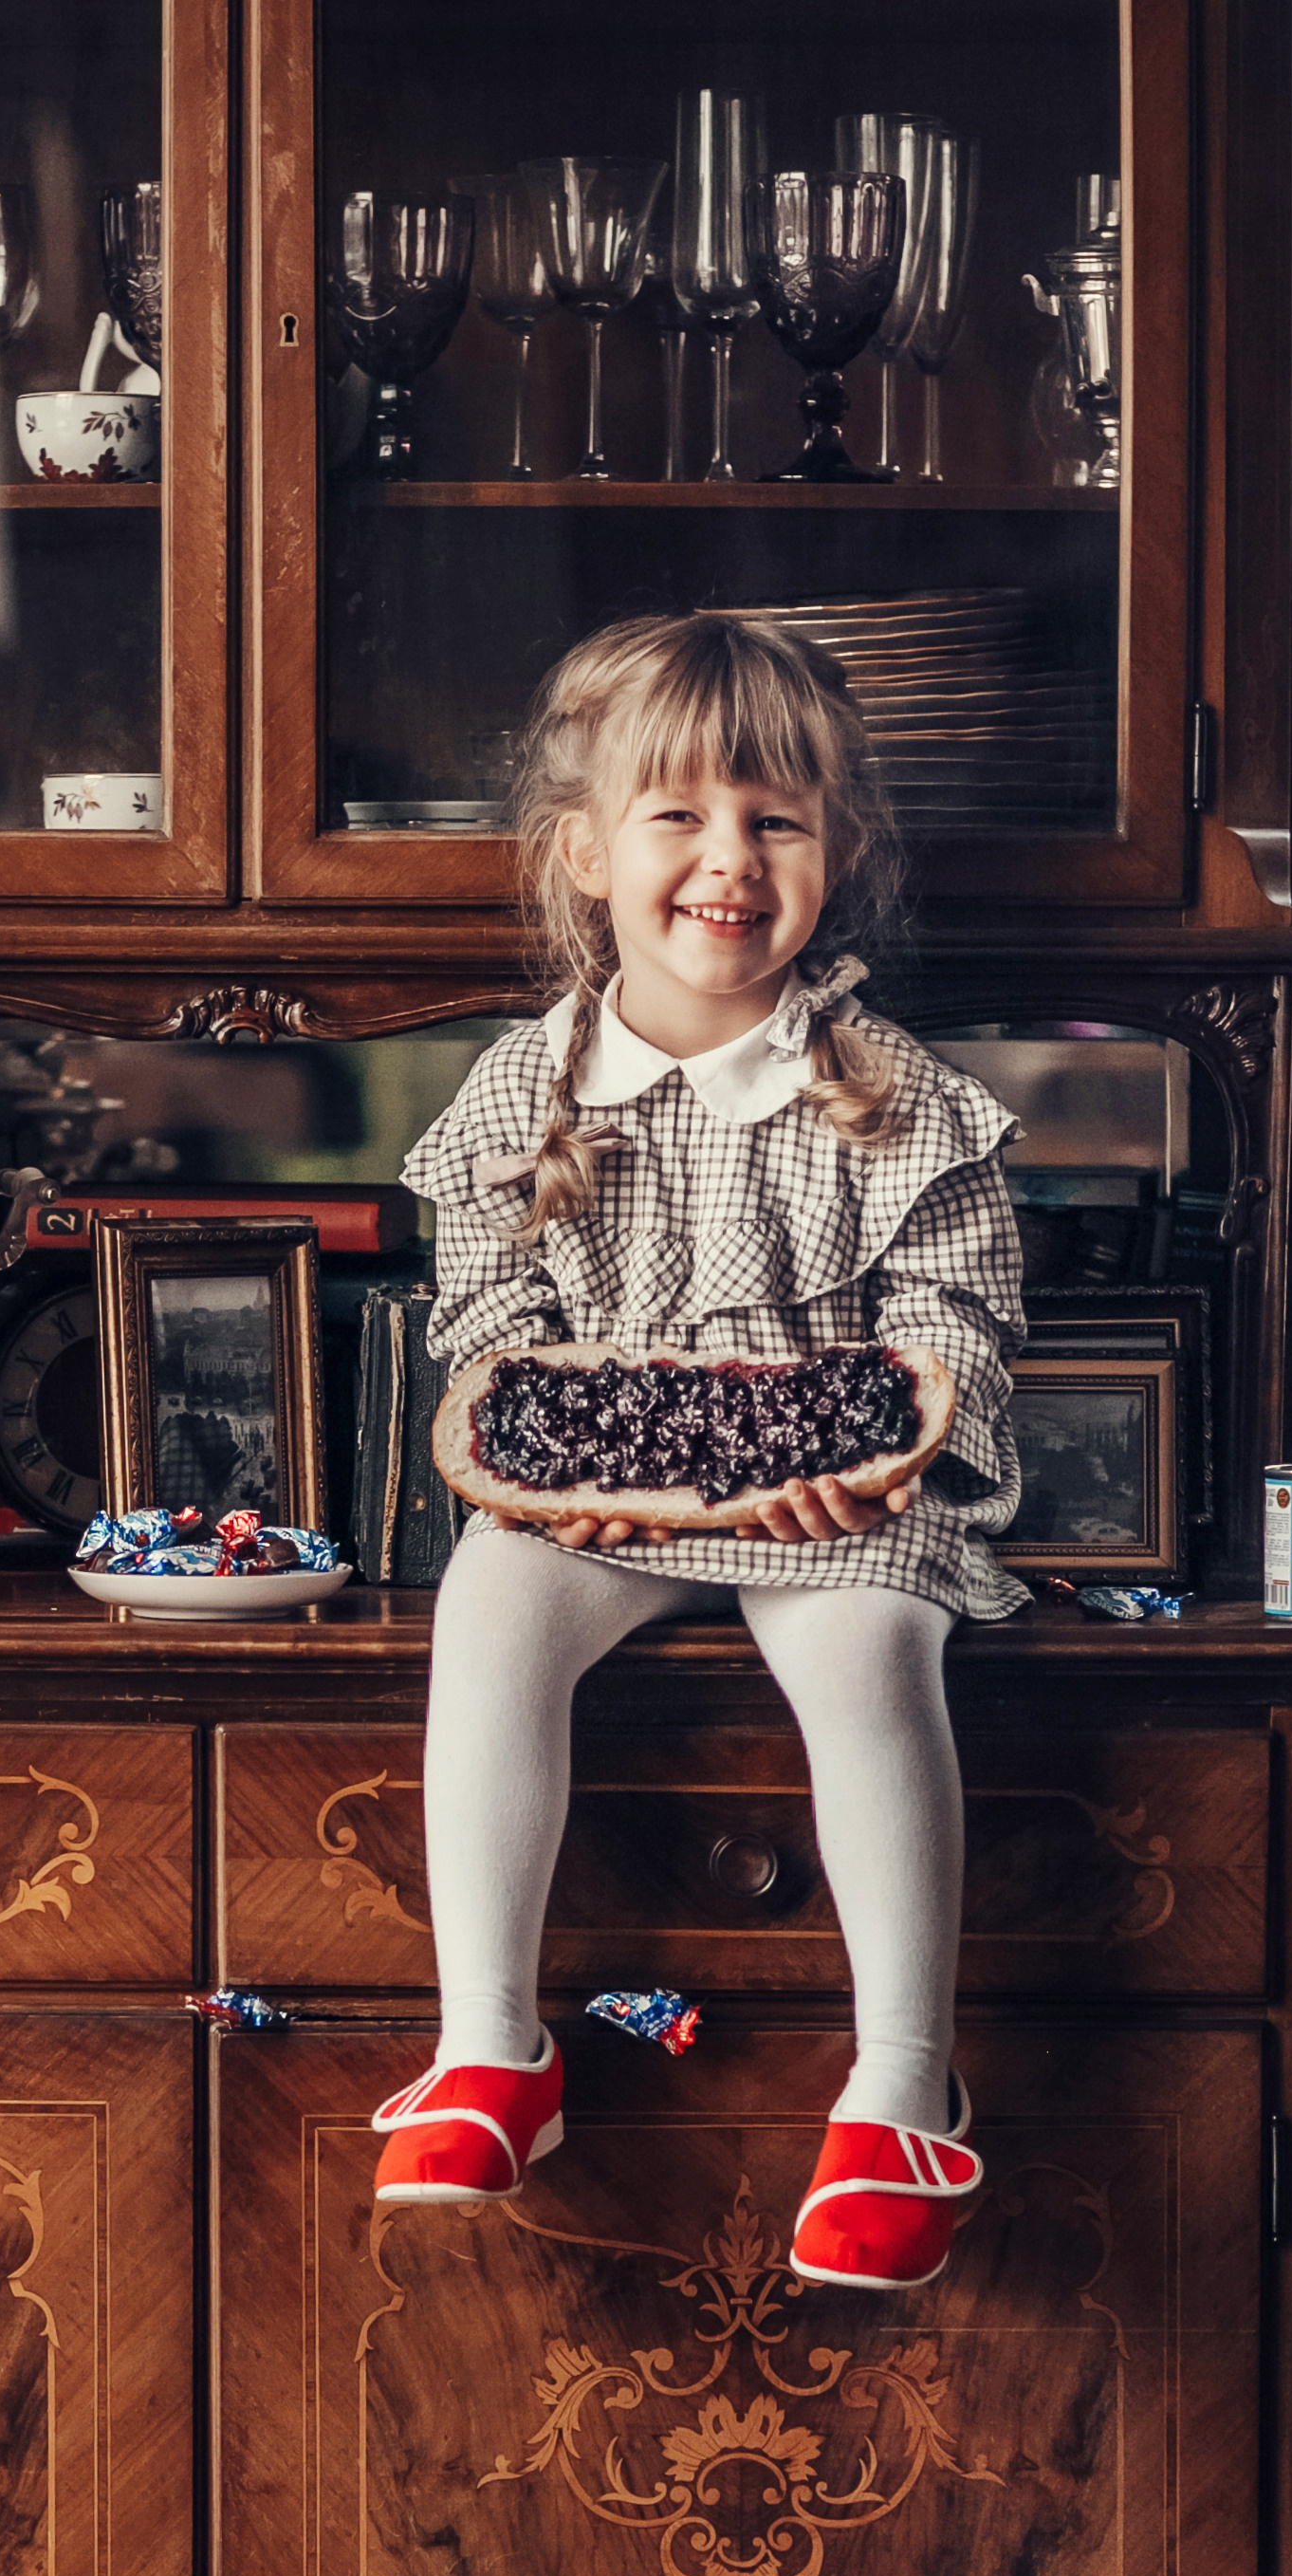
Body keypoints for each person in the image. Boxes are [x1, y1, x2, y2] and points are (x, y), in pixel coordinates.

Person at [372, 609, 1025, 2289]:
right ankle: (491, 2047)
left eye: (776, 819)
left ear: (839, 850)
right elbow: (488, 1334)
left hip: (842, 1503)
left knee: (874, 1644)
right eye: (676, 815)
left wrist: (869, 1447)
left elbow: (955, 1327)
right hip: (594, 1515)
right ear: (584, 852)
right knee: (489, 1616)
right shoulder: (517, 1100)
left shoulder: (901, 1100)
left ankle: (899, 2086)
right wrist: (565, 1455)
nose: (727, 859)